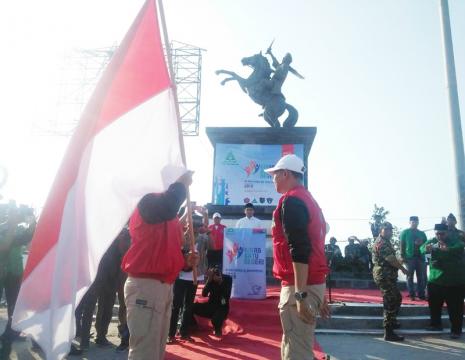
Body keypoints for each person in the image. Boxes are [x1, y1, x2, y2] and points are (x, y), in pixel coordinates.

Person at [121, 172, 198, 360]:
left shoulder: (167, 214)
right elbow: (169, 204)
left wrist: (185, 261)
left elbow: (165, 249)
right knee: (144, 352)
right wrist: (181, 184)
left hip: (163, 287)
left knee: (155, 352)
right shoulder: (147, 201)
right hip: (146, 287)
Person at [264, 154, 329, 360]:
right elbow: (316, 248)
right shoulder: (309, 201)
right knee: (294, 342)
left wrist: (301, 294)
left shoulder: (292, 201)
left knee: (297, 351)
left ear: (285, 174)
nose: (272, 179)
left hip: (299, 286)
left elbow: (299, 250)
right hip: (310, 283)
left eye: (274, 175)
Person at [167, 213, 209, 344]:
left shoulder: (203, 238)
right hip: (181, 275)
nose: (195, 228)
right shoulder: (182, 237)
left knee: (188, 305)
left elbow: (211, 247)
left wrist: (206, 219)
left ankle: (184, 332)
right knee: (176, 305)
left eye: (197, 226)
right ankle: (171, 333)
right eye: (193, 225)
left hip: (194, 276)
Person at [420, 223, 465, 338]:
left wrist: (448, 249)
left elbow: (459, 247)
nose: (439, 236)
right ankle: (435, 324)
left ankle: (456, 331)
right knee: (434, 306)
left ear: (448, 232)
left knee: (455, 308)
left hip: (454, 282)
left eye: (442, 234)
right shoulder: (432, 241)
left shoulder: (455, 241)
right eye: (437, 233)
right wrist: (425, 248)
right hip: (435, 281)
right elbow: (422, 249)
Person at [0, 204, 35, 341]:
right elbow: (5, 246)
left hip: (15, 271)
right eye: (13, 212)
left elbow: (27, 240)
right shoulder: (2, 227)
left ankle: (12, 331)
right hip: (2, 271)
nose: (16, 215)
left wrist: (33, 222)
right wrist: (13, 225)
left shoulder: (20, 228)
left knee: (13, 303)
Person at [372, 222, 408, 342]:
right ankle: (388, 331)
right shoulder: (381, 243)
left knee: (397, 297)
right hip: (383, 275)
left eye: (390, 230)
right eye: (386, 230)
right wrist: (402, 268)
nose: (389, 232)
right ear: (381, 230)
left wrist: (400, 261)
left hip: (388, 275)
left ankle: (392, 321)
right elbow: (391, 259)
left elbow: (393, 259)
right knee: (391, 300)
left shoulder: (386, 241)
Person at [192, 266, 232, 337]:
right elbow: (204, 294)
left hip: (222, 306)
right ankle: (192, 325)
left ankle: (218, 330)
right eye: (214, 273)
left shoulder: (228, 279)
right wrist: (209, 281)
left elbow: (226, 295)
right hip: (210, 305)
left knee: (216, 318)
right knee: (191, 307)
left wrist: (220, 283)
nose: (216, 274)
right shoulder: (210, 279)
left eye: (218, 272)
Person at [400, 216, 427, 300]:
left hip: (420, 257)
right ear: (410, 222)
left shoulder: (422, 233)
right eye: (413, 222)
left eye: (416, 222)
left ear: (418, 222)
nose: (414, 223)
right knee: (409, 276)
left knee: (421, 277)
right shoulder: (405, 232)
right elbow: (402, 244)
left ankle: (421, 294)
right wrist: (402, 256)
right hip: (409, 257)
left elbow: (426, 244)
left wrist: (421, 243)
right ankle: (412, 294)